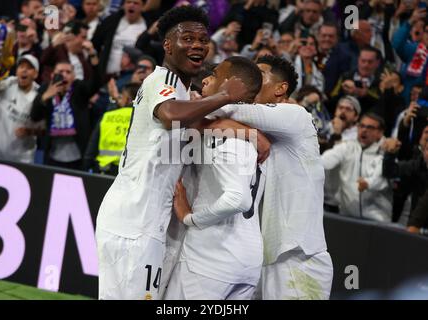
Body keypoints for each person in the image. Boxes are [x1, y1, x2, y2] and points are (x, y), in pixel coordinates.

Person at [95, 6, 253, 300]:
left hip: (137, 217)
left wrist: (249, 132)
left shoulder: (182, 91)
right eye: (188, 38)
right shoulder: (163, 80)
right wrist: (225, 95)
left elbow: (199, 122)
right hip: (136, 220)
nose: (197, 45)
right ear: (167, 45)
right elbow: (170, 114)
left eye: (203, 40)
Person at [204, 55, 333, 299]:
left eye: (259, 75)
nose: (249, 81)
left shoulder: (296, 115)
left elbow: (222, 108)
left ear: (281, 88)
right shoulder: (257, 130)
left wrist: (196, 102)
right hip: (266, 255)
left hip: (298, 256)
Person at [164, 57, 264, 300]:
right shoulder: (247, 127)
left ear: (232, 84)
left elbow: (238, 199)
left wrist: (191, 218)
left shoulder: (224, 133)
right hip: (246, 259)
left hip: (212, 256)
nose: (206, 78)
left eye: (216, 74)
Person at [322, 113, 392, 223]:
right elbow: (324, 161)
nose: (364, 130)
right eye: (362, 126)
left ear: (380, 133)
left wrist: (367, 183)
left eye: (370, 127)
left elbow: (380, 180)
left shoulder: (386, 153)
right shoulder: (347, 147)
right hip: (347, 217)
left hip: (377, 221)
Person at [0, 55, 42, 163]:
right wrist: (2, 70)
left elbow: (44, 126)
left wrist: (29, 131)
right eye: (21, 67)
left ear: (36, 74)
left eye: (29, 68)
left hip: (21, 159)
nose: (24, 70)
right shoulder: (9, 83)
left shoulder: (39, 95)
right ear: (16, 71)